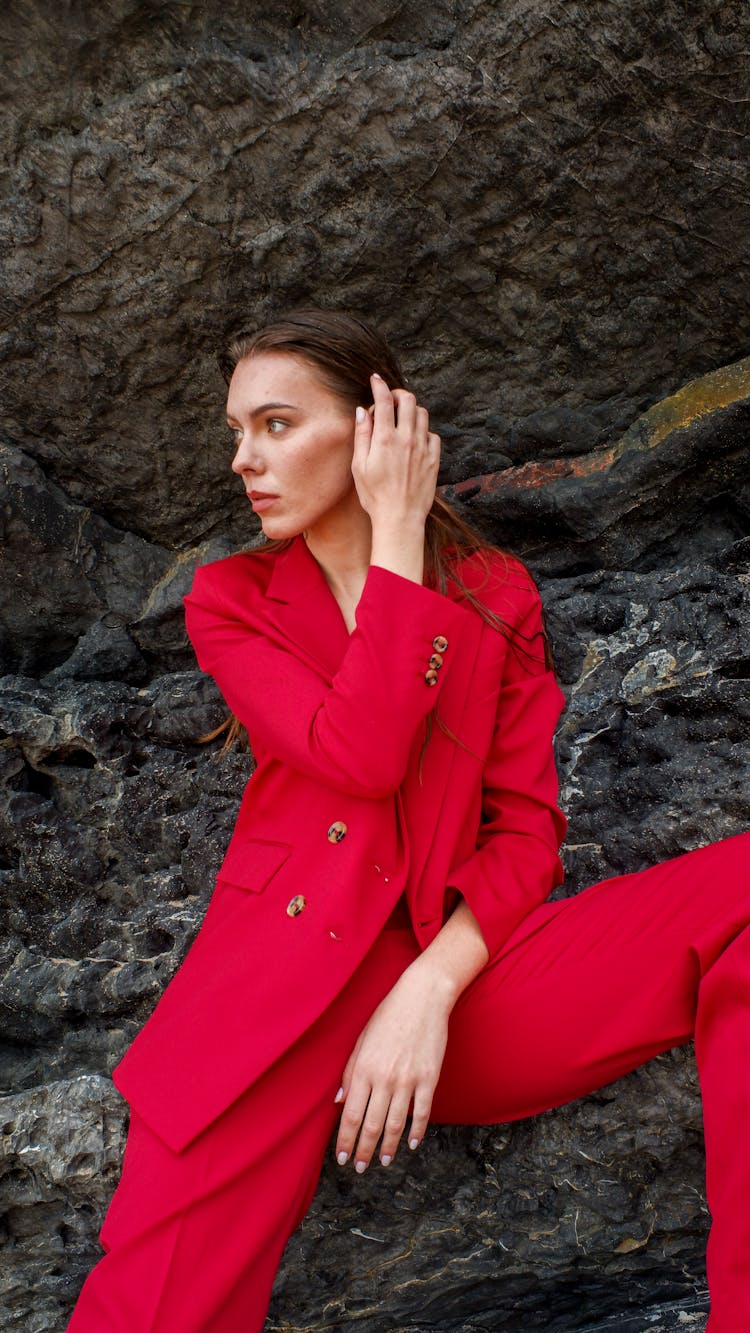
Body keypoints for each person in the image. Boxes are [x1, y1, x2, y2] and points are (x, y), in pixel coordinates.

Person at [67, 309, 749, 1332]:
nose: (244, 458)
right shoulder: (233, 600)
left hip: (455, 990)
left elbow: (523, 830)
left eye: (277, 423)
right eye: (237, 430)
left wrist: (429, 987)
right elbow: (361, 752)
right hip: (274, 1009)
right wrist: (394, 539)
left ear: (377, 427)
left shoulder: (492, 593)